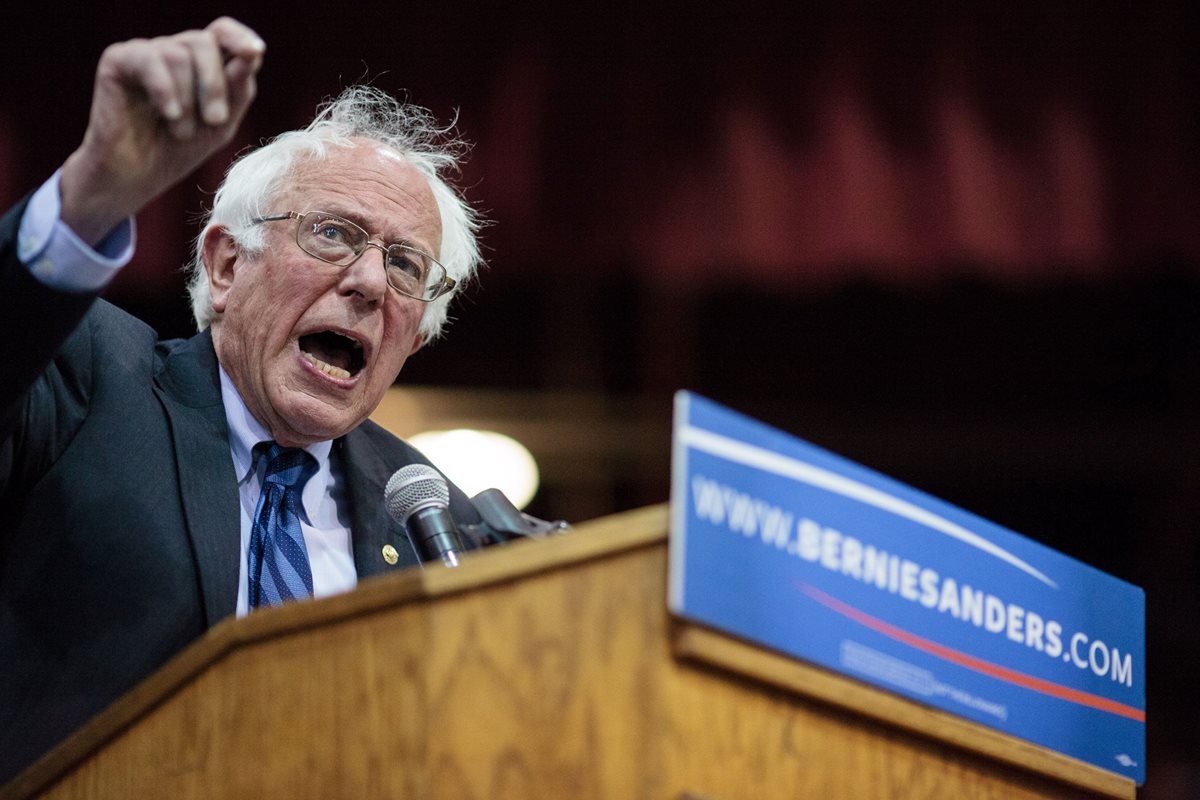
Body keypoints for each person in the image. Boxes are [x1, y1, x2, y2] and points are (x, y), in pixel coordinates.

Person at [0, 17, 487, 783]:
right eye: (333, 233)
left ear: (414, 341)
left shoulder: (437, 522)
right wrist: (90, 196)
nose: (369, 281)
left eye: (405, 265)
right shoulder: (91, 381)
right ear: (226, 265)